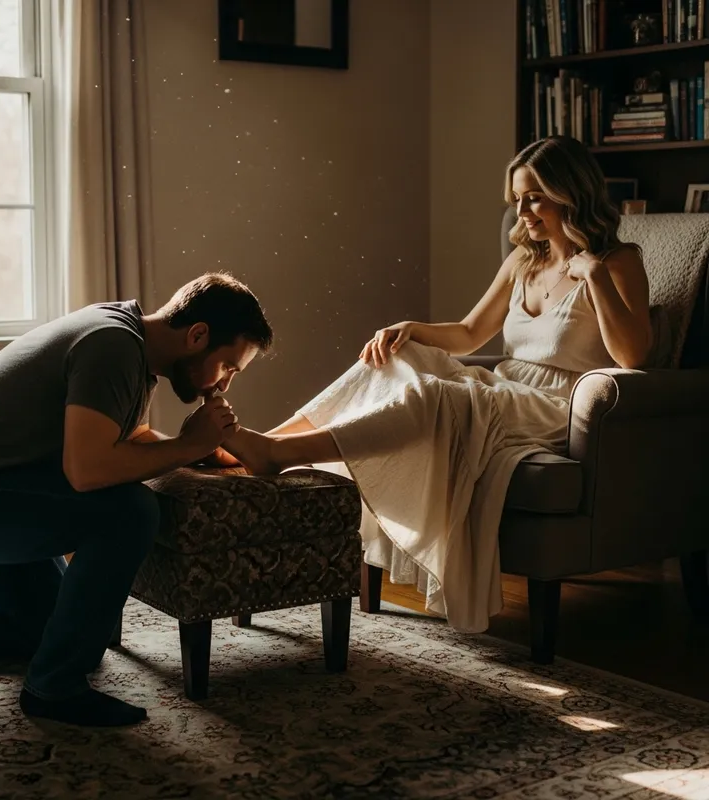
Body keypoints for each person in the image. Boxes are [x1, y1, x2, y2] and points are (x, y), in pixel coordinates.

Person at [222, 135, 653, 633]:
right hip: (507, 387)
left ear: (570, 192)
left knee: (437, 396)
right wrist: (409, 329)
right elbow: (470, 334)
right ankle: (269, 439)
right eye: (517, 199)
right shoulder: (522, 262)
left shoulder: (618, 262)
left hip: (562, 406)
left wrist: (595, 277)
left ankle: (277, 454)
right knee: (397, 357)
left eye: (534, 196)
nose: (523, 212)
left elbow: (634, 356)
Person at [0, 273, 272, 727]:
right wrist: (184, 447)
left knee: (52, 630)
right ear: (197, 335)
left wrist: (195, 451)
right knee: (131, 511)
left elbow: (122, 436)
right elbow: (88, 472)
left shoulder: (129, 340)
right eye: (229, 367)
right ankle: (54, 690)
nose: (224, 385)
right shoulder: (112, 347)